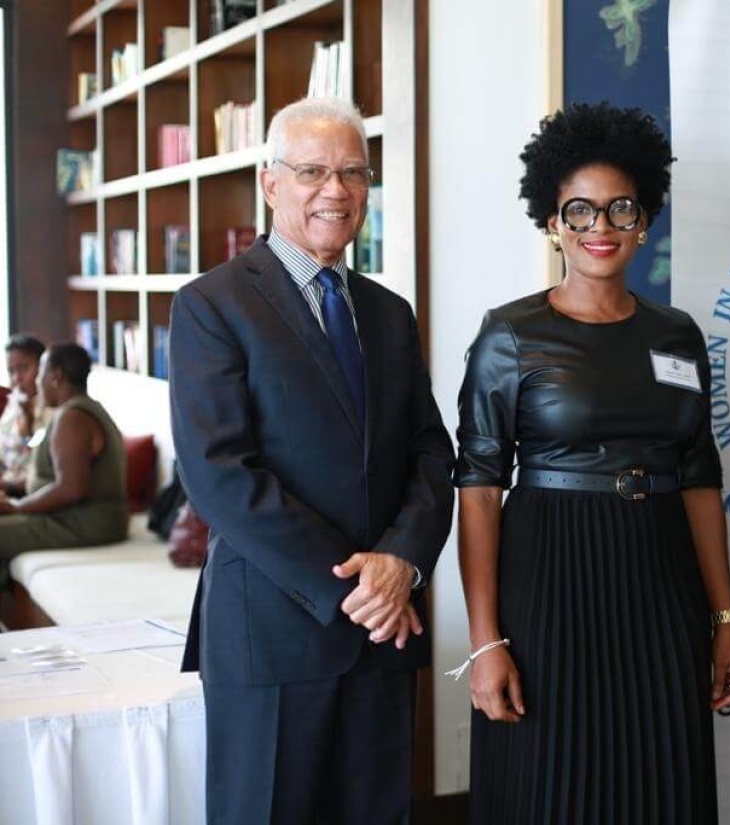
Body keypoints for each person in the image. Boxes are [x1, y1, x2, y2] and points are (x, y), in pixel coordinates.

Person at [455, 102, 730, 824]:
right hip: (550, 581)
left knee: (659, 782)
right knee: (552, 782)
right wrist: (486, 638)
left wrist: (723, 620)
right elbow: (479, 488)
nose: (602, 227)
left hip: (659, 579)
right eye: (579, 211)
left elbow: (701, 478)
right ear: (552, 223)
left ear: (644, 219)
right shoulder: (510, 334)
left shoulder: (677, 335)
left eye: (620, 208)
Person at [168, 97, 454, 824]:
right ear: (271, 184)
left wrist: (401, 563)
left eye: (354, 173)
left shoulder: (390, 312)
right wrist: (354, 588)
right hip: (274, 632)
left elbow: (429, 451)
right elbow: (220, 474)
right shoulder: (212, 304)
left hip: (387, 632)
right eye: (314, 171)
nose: (337, 190)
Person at [0, 343, 128, 579]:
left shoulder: (73, 418)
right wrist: (10, 488)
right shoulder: (79, 410)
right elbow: (55, 476)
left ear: (56, 376)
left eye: (40, 373)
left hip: (82, 523)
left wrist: (17, 507)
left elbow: (71, 489)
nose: (37, 382)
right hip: (74, 518)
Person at [1, 334, 52, 496]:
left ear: (43, 368)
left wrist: (28, 424)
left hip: (27, 493)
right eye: (11, 371)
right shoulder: (13, 404)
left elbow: (45, 473)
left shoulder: (54, 409)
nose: (17, 378)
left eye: (23, 368)